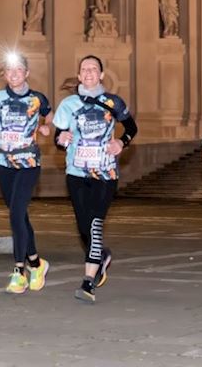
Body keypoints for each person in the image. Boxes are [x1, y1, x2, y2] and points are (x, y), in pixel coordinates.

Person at [52, 55, 137, 303]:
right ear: (78, 76)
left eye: (93, 69)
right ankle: (102, 256)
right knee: (82, 226)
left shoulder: (113, 102)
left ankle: (88, 282)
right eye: (84, 69)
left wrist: (122, 142)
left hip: (105, 173)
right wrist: (61, 140)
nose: (88, 73)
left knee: (94, 224)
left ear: (101, 75)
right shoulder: (68, 104)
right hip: (76, 173)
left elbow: (132, 127)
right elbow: (59, 137)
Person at [0, 52, 52, 294]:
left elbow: (52, 121)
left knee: (17, 212)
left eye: (19, 70)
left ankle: (19, 271)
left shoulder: (37, 99)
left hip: (29, 161)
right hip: (3, 161)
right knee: (17, 214)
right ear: (5, 74)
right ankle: (36, 263)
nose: (14, 74)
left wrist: (46, 128)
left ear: (26, 73)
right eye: (10, 71)